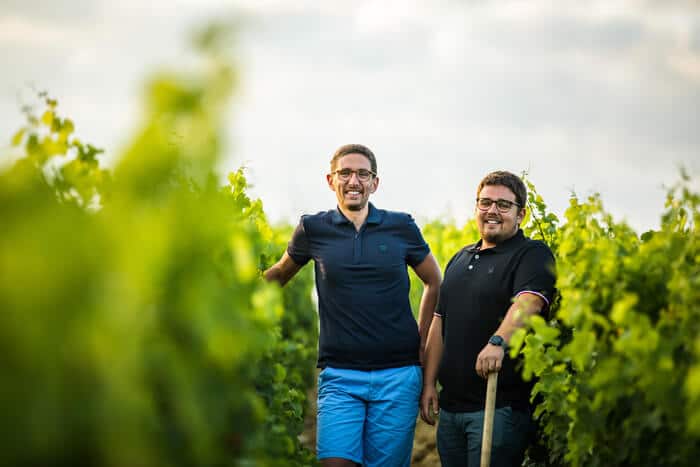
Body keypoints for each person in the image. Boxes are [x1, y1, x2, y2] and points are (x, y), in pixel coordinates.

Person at [264, 144, 441, 467]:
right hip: (340, 376)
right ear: (331, 180)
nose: (354, 181)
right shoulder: (313, 229)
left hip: (398, 376)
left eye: (362, 173)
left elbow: (435, 280)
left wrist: (421, 336)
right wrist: (235, 287)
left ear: (375, 182)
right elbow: (279, 273)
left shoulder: (401, 227)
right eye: (345, 173)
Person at [419, 171, 556, 467]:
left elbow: (529, 300)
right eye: (485, 203)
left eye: (503, 205)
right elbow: (439, 322)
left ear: (522, 215)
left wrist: (499, 341)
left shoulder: (531, 254)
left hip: (498, 409)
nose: (492, 210)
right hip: (452, 411)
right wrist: (429, 384)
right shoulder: (459, 258)